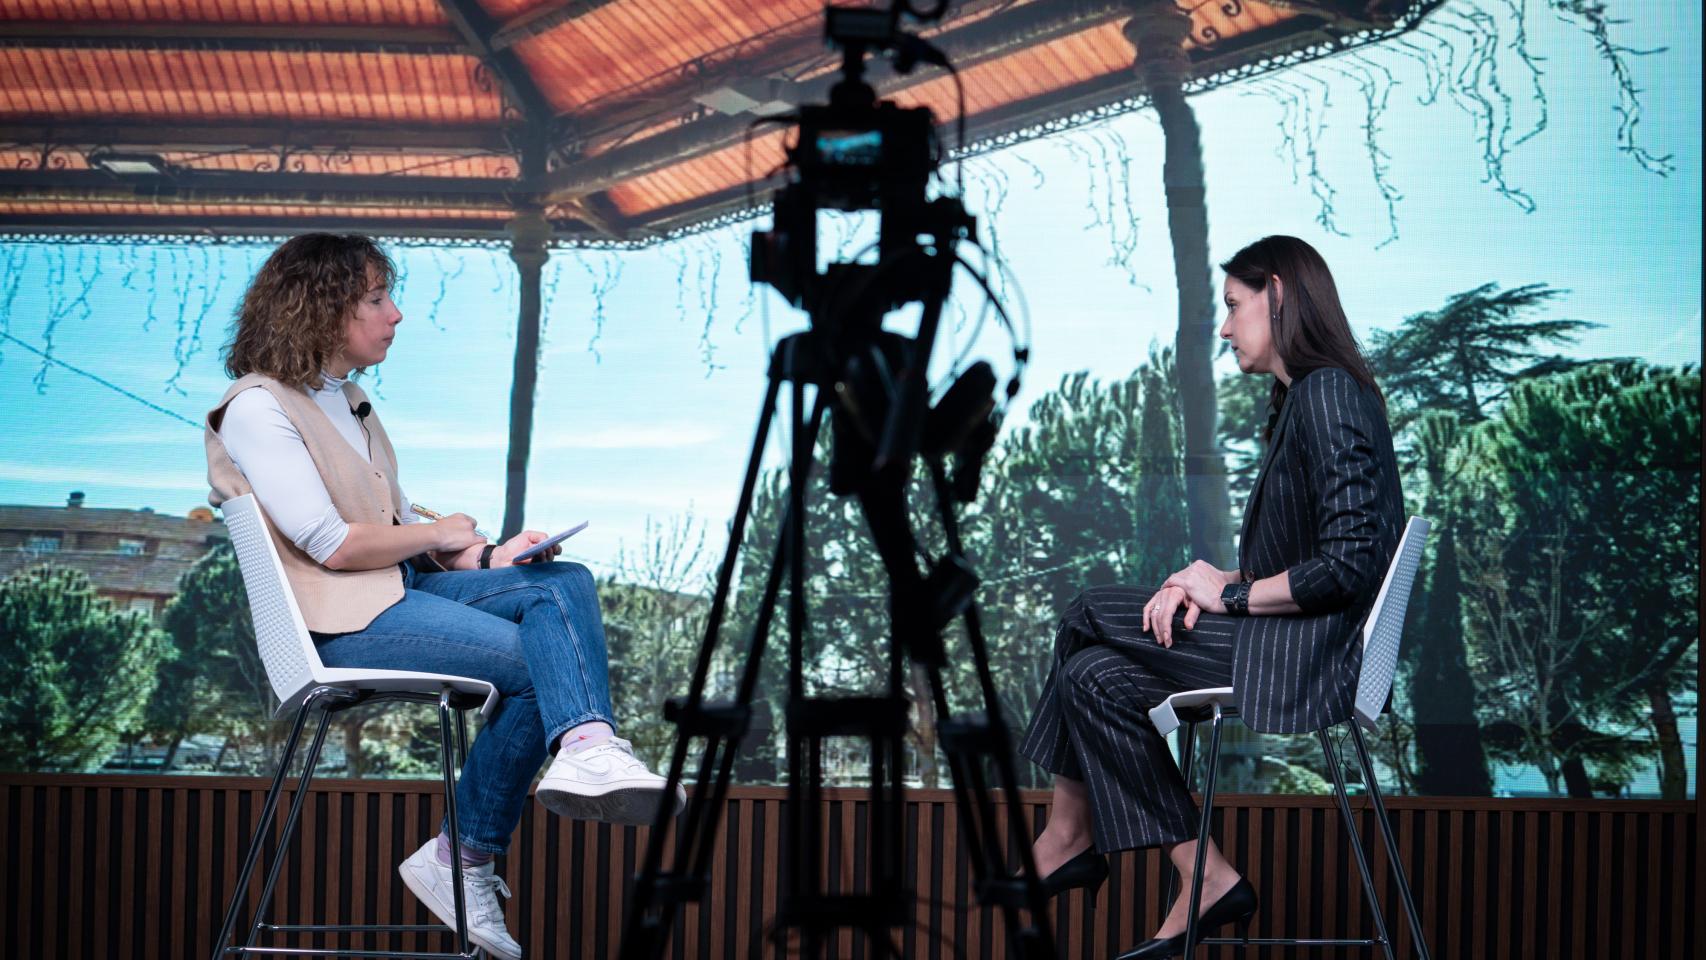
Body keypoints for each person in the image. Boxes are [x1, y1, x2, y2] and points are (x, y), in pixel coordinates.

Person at [205, 233, 682, 960]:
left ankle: (586, 746)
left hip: (397, 592)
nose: (395, 315)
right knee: (534, 664)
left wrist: (487, 554)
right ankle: (465, 854)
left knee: (562, 583)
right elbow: (331, 542)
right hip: (339, 622)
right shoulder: (257, 408)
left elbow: (393, 525)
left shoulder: (349, 400)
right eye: (376, 299)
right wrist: (450, 529)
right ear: (323, 307)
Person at [1017, 235, 1403, 959]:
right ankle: (1203, 874)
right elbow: (1314, 558)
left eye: (1233, 306)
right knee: (1088, 676)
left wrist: (1228, 597)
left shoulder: (1327, 394)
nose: (1224, 328)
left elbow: (1348, 567)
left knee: (1090, 608)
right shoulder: (1307, 399)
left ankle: (1068, 834)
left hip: (1310, 660)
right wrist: (1216, 581)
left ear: (1279, 294)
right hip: (1293, 644)